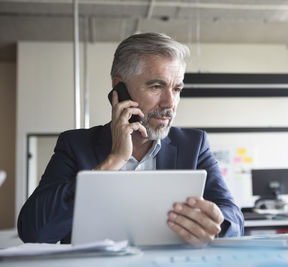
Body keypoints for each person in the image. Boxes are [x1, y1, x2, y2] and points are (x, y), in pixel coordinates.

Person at [17, 32, 244, 247]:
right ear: (119, 89)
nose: (169, 103)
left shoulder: (193, 145)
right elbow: (34, 232)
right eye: (156, 86)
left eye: (176, 89)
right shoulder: (75, 145)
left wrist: (216, 224)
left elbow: (235, 219)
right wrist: (113, 160)